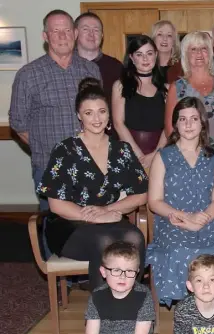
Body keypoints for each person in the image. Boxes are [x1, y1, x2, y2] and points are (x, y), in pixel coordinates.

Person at [37, 78, 148, 292]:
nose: (96, 119)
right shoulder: (65, 150)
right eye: (88, 113)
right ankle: (102, 316)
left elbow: (141, 194)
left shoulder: (122, 150)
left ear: (109, 114)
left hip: (111, 218)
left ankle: (131, 309)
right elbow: (57, 205)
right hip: (69, 225)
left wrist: (107, 210)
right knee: (105, 242)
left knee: (135, 237)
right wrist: (94, 216)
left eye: (102, 111)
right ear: (79, 115)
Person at [146, 96, 214, 307]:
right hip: (173, 220)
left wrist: (202, 220)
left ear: (202, 122)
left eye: (193, 118)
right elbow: (154, 202)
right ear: (175, 124)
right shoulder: (163, 156)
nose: (188, 124)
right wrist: (186, 217)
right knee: (180, 250)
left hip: (208, 219)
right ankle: (189, 310)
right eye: (182, 119)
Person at [9, 9, 101, 211]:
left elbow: (98, 115)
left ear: (75, 34)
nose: (62, 36)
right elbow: (18, 123)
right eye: (55, 31)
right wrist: (45, 149)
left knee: (91, 225)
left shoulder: (91, 70)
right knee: (53, 228)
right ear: (45, 36)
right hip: (49, 167)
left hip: (89, 164)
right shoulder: (28, 75)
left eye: (67, 30)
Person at [165, 31, 214, 154]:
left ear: (211, 53)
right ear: (186, 54)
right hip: (187, 154)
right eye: (194, 49)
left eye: (203, 48)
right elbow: (170, 130)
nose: (199, 53)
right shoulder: (177, 88)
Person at [112, 35, 167, 169]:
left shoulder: (167, 89)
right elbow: (118, 123)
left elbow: (169, 126)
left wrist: (156, 154)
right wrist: (138, 154)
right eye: (139, 54)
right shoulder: (120, 86)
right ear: (131, 57)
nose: (145, 59)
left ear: (156, 54)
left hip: (161, 156)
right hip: (129, 155)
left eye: (149, 53)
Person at [75, 12, 122, 103]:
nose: (91, 34)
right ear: (75, 33)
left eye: (96, 30)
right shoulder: (65, 65)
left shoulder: (116, 67)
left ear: (102, 35)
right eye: (85, 29)